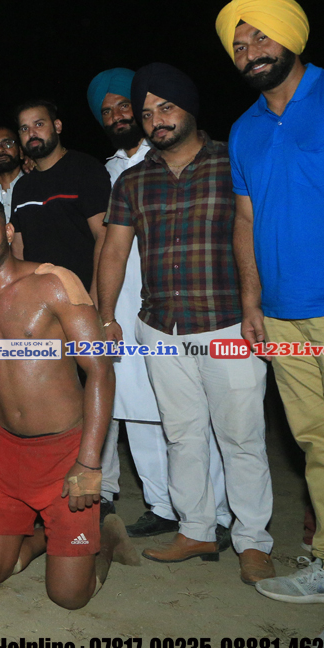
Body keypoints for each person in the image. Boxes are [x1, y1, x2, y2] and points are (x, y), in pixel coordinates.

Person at [217, 0, 324, 640]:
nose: (250, 51)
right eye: (238, 44)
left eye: (261, 37)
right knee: (316, 445)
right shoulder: (245, 129)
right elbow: (245, 218)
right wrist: (252, 302)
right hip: (281, 317)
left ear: (291, 36)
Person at [98, 63, 274, 585]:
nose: (156, 120)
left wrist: (256, 305)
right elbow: (113, 251)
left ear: (190, 108)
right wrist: (106, 316)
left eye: (166, 108)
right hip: (161, 327)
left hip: (227, 324)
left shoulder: (231, 161)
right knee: (182, 435)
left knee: (241, 438)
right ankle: (196, 529)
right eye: (147, 113)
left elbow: (258, 231)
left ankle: (252, 541)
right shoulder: (133, 180)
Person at [0, 194, 134, 610]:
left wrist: (89, 462)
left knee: (68, 597)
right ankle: (46, 540)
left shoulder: (53, 283)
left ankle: (104, 539)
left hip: (65, 452)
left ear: (8, 231)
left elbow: (100, 370)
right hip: (5, 453)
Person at [87, 68, 230, 542]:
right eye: (107, 111)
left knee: (199, 417)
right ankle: (162, 504)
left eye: (124, 107)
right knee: (134, 409)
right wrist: (103, 310)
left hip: (181, 304)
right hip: (126, 308)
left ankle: (218, 514)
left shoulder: (174, 158)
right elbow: (106, 247)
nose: (117, 116)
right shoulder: (109, 171)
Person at [11, 99, 110, 303]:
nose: (32, 133)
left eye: (39, 124)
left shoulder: (86, 169)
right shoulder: (21, 188)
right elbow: (18, 252)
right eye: (24, 128)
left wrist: (95, 300)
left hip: (82, 298)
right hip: (39, 303)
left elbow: (104, 237)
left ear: (57, 126)